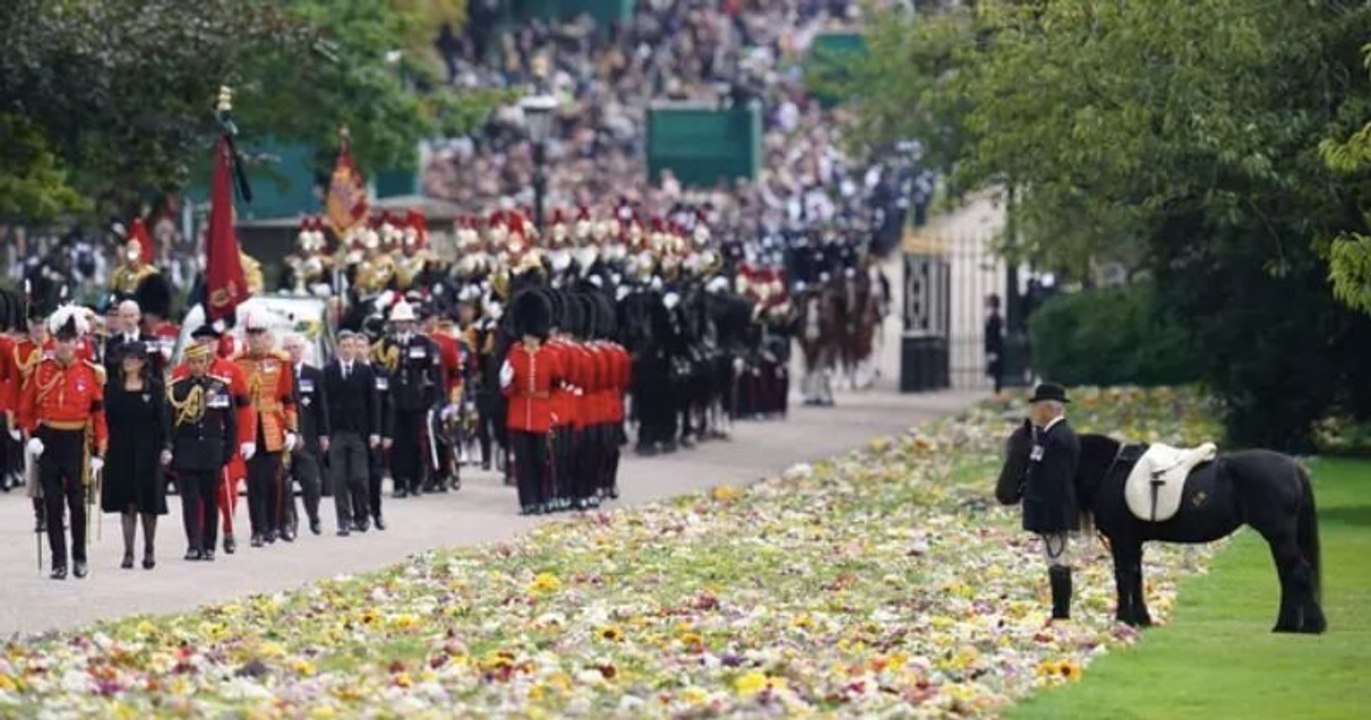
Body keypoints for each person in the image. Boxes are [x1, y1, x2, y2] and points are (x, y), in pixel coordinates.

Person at [17, 306, 108, 580]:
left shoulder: (91, 373)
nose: (65, 345)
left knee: (78, 504)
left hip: (77, 442)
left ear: (77, 341)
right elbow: (26, 409)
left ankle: (79, 556)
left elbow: (98, 415)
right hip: (48, 441)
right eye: (60, 339)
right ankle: (59, 561)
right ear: (52, 340)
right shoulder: (39, 370)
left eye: (70, 339)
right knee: (53, 504)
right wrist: (31, 436)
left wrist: (98, 451)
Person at [166, 340, 238, 561]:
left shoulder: (220, 387)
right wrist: (170, 448)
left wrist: (228, 451)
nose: (196, 366)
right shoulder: (177, 388)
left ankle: (209, 545)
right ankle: (193, 544)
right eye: (193, 362)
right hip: (187, 450)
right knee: (190, 500)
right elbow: (169, 423)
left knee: (210, 499)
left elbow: (231, 422)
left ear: (207, 363)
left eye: (200, 362)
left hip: (211, 450)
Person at [232, 314, 299, 547]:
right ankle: (257, 529)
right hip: (249, 429)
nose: (257, 338)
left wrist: (291, 429)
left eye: (261, 333)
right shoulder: (237, 362)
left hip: (273, 425)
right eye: (252, 333)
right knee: (254, 482)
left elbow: (289, 398)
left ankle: (273, 525)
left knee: (274, 480)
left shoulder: (281, 361)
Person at [101, 343, 168, 570]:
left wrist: (166, 446)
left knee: (148, 502)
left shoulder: (155, 387)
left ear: (142, 362)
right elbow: (105, 419)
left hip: (149, 449)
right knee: (127, 502)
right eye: (125, 358)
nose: (127, 362)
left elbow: (163, 419)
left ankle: (149, 548)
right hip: (121, 449)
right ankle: (128, 551)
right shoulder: (112, 388)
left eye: (132, 358)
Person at [1021, 382, 1081, 621]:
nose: (1035, 413)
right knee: (1053, 557)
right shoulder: (1050, 436)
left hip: (1054, 510)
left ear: (1048, 409)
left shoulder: (1059, 438)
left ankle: (1061, 611)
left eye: (1037, 408)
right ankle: (1059, 609)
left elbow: (1055, 481)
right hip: (1051, 509)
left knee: (1057, 558)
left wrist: (1046, 513)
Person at [502, 290, 561, 515]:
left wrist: (554, 412)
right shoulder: (514, 354)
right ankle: (527, 501)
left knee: (541, 459)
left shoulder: (549, 356)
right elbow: (506, 388)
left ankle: (543, 499)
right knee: (523, 462)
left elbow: (557, 386)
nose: (528, 339)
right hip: (519, 412)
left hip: (541, 413)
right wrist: (507, 380)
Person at [377, 300, 442, 497]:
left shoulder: (423, 343)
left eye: (405, 321)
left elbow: (432, 374)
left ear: (411, 322)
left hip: (416, 400)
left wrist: (432, 400)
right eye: (398, 322)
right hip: (394, 401)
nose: (401, 325)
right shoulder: (386, 344)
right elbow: (381, 370)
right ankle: (399, 482)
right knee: (396, 444)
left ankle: (415, 480)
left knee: (415, 442)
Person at [323, 331, 382, 535]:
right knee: (339, 479)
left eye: (351, 346)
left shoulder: (365, 372)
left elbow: (373, 403)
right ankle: (344, 521)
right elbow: (324, 405)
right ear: (338, 348)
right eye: (344, 346)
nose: (348, 350)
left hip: (359, 432)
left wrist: (375, 431)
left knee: (359, 477)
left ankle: (362, 516)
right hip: (337, 432)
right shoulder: (328, 372)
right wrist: (324, 433)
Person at [283, 333, 327, 536]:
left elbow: (322, 408)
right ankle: (291, 520)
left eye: (294, 348)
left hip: (308, 437)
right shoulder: (279, 373)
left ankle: (314, 515)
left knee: (312, 482)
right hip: (285, 438)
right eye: (287, 348)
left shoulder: (314, 374)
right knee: (285, 483)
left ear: (301, 350)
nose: (291, 352)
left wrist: (324, 434)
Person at [985, 293, 1005, 394]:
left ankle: (998, 390)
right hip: (995, 347)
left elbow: (992, 335)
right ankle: (997, 390)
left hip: (995, 347)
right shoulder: (994, 316)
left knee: (997, 371)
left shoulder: (995, 317)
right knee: (995, 371)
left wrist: (991, 349)